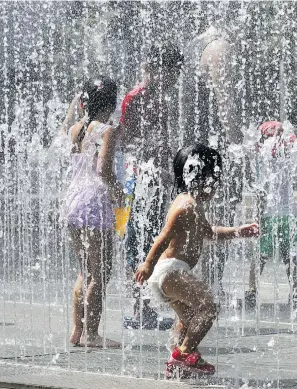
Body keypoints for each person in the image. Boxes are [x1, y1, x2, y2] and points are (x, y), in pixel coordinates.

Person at [135, 144, 259, 377]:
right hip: (170, 271)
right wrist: (148, 263)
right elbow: (164, 235)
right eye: (215, 177)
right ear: (201, 177)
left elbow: (208, 232)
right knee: (209, 307)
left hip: (171, 272)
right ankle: (182, 355)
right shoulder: (186, 205)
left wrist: (238, 232)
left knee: (190, 318)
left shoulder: (193, 204)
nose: (218, 184)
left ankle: (179, 360)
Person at [120, 42, 184, 330]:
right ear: (157, 70)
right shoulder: (136, 97)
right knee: (138, 243)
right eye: (172, 74)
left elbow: (163, 142)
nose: (174, 81)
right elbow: (124, 140)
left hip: (156, 181)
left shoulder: (159, 99)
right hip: (138, 181)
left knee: (151, 242)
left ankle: (145, 307)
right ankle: (139, 308)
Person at [183, 22, 244, 298]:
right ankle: (208, 287)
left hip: (192, 149)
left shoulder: (197, 45)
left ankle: (193, 286)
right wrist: (236, 145)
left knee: (194, 218)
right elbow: (224, 101)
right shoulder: (219, 48)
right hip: (212, 152)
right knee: (218, 216)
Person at [61, 76, 122, 348]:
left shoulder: (75, 128)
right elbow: (104, 170)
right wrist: (119, 193)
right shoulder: (106, 129)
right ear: (110, 103)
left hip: (73, 202)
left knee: (84, 271)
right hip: (95, 203)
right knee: (100, 272)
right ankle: (92, 333)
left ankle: (77, 331)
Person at [245, 121, 297, 310]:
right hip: (290, 215)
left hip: (269, 214)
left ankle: (252, 291)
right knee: (289, 257)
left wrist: (257, 216)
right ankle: (294, 293)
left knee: (260, 255)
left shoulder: (263, 156)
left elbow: (261, 192)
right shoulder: (288, 155)